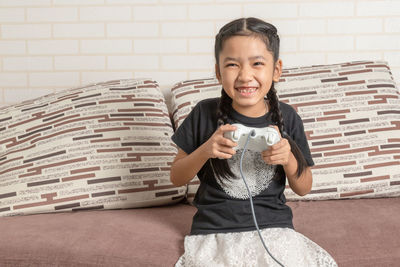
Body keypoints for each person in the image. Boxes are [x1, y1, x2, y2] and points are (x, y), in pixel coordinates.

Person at [170, 17, 337, 267]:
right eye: (232, 65)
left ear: (276, 70)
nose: (245, 75)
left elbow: (304, 187)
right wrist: (205, 150)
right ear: (217, 71)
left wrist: (288, 159)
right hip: (215, 232)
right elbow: (176, 177)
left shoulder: (287, 117)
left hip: (274, 228)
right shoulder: (204, 113)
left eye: (257, 63)